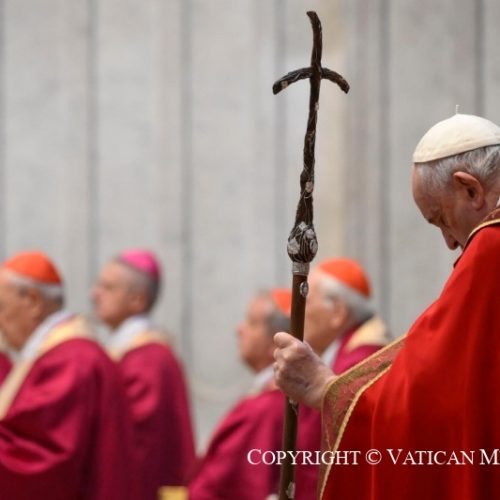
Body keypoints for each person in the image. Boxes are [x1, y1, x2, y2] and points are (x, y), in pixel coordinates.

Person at [273, 113, 500, 499]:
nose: (449, 242)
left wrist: (325, 389)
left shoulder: (491, 249)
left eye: (441, 220)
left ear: (471, 190)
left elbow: (431, 406)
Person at [0, 250, 138, 500]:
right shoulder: (58, 355)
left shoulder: (70, 362)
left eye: (2, 307)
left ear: (33, 301)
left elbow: (38, 462)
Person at [92, 249, 195, 500]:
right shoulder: (130, 353)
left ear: (137, 300)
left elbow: (134, 446)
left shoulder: (147, 361)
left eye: (108, 287)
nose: (94, 294)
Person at [173, 288, 291, 500]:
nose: (239, 329)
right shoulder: (275, 398)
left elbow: (224, 484)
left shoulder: (265, 408)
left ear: (276, 343)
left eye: (252, 323)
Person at [295, 257, 390, 499]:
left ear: (337, 312)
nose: (293, 310)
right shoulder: (344, 357)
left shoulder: (358, 366)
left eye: (307, 300)